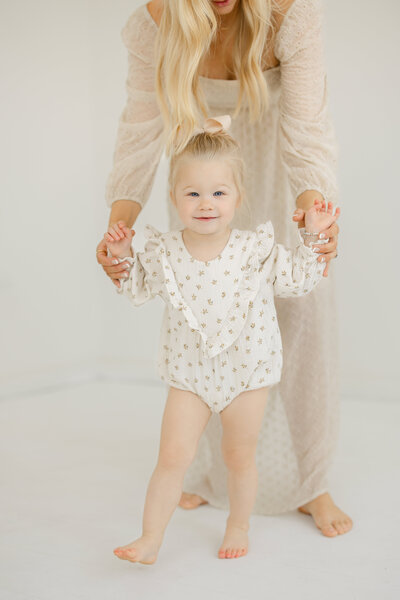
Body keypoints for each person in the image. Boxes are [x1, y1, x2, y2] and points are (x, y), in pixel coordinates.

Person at [97, 0, 352, 538]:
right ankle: (211, 473)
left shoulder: (291, 17)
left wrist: (313, 217)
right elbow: (139, 134)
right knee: (205, 326)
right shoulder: (155, 25)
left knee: (301, 318)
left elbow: (306, 132)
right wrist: (119, 225)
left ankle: (312, 481)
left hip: (281, 179)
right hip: (202, 186)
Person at [106, 117, 340, 563]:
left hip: (246, 372)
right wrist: (120, 257)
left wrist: (314, 234)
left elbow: (297, 279)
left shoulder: (255, 249)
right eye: (192, 193)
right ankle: (150, 539)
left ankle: (238, 523)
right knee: (172, 456)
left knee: (238, 456)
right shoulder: (166, 250)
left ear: (237, 197)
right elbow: (135, 284)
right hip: (190, 374)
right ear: (175, 197)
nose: (205, 203)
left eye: (218, 192)